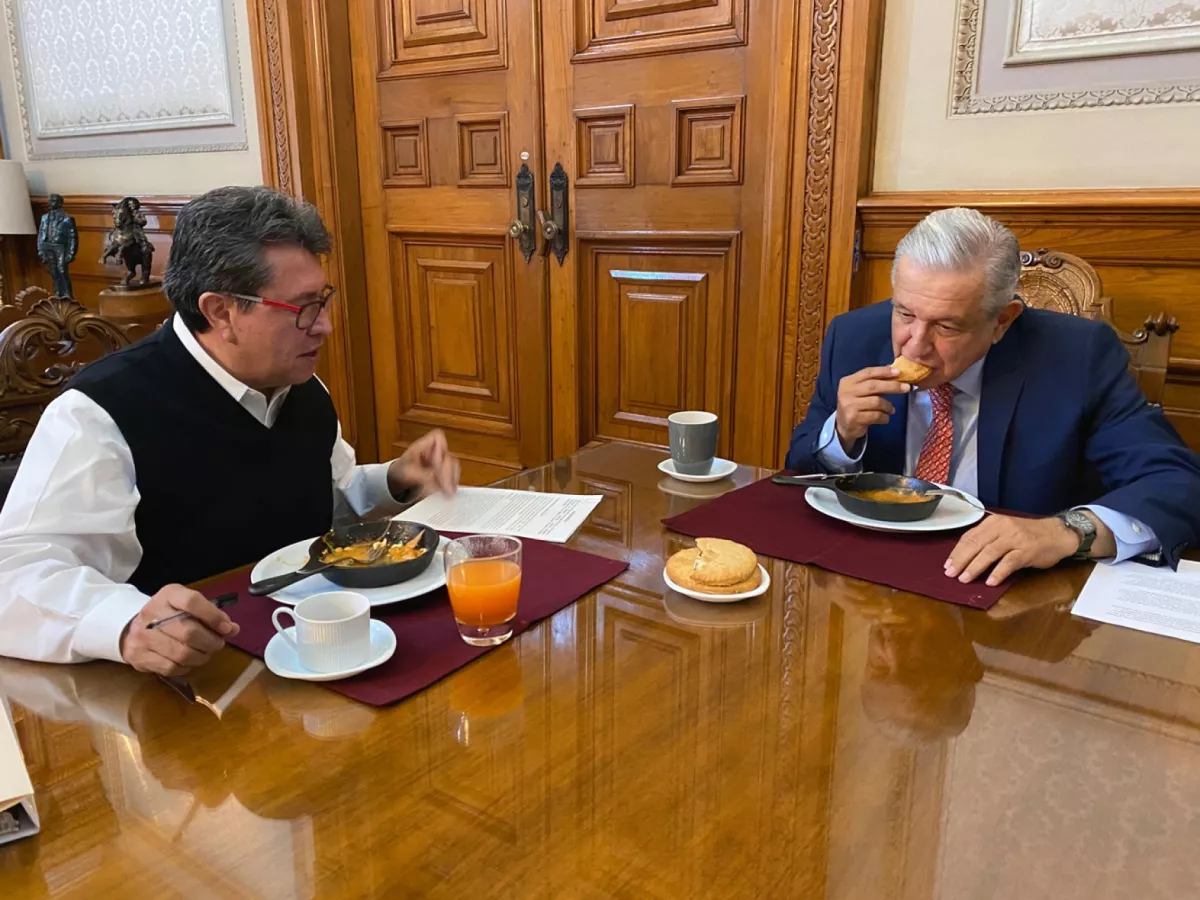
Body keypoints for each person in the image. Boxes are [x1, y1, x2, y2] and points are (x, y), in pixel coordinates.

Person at [0, 186, 460, 674]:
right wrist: (127, 623)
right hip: (180, 685)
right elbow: (16, 575)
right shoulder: (100, 412)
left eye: (322, 300)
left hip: (309, 653)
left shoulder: (302, 389)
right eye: (303, 307)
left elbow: (327, 500)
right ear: (221, 312)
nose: (324, 325)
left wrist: (395, 480)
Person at [788, 207, 1200, 584]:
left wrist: (1067, 531)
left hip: (1009, 591)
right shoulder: (854, 337)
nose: (914, 345)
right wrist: (841, 435)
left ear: (1002, 321)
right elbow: (797, 473)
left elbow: (1176, 483)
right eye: (905, 313)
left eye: (946, 327)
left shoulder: (1077, 357)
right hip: (871, 577)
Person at [37, 193, 78, 298]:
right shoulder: (44, 218)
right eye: (49, 201)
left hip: (61, 248)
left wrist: (71, 253)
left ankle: (68, 296)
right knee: (53, 272)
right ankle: (58, 293)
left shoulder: (67, 218)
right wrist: (40, 249)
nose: (50, 203)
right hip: (48, 247)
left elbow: (73, 237)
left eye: (53, 201)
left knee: (62, 271)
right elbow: (41, 233)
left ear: (59, 203)